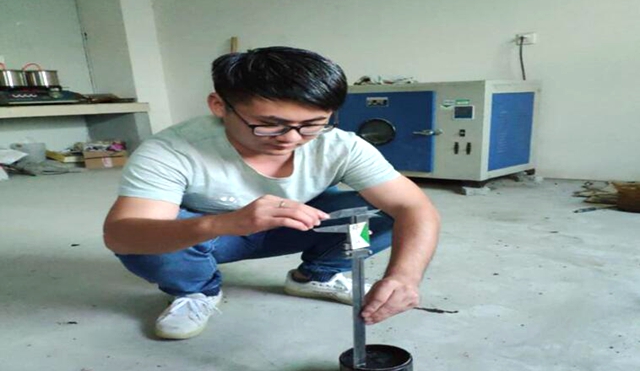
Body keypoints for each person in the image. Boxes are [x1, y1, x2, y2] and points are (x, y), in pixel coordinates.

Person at [103, 46, 440, 340]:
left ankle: (319, 273)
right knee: (151, 241)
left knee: (380, 216)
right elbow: (121, 235)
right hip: (211, 239)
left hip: (299, 225)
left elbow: (414, 208)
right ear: (219, 105)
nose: (291, 138)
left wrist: (404, 277)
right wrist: (222, 224)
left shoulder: (340, 146)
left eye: (312, 124)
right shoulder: (171, 150)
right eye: (269, 124)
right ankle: (196, 291)